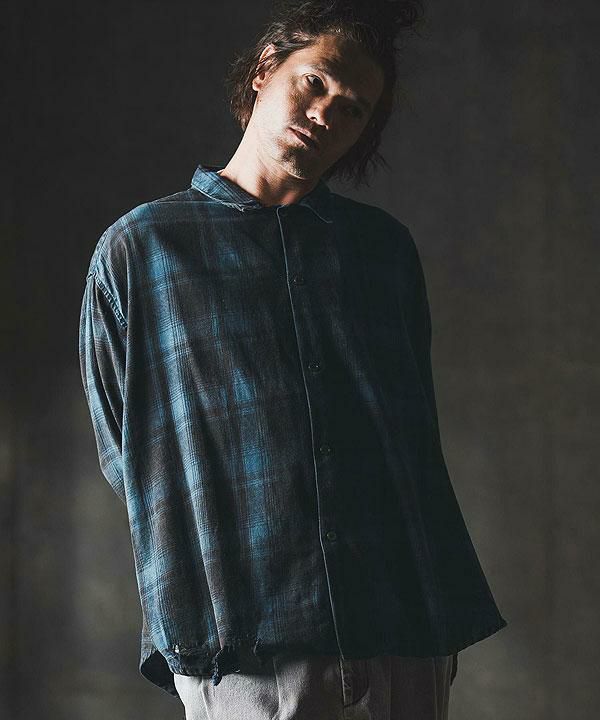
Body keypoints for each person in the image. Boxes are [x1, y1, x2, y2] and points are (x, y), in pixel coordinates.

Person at [78, 1, 507, 718]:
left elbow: (411, 435)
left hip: (404, 621)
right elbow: (129, 455)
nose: (327, 113)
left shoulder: (382, 252)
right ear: (265, 70)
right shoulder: (143, 250)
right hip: (246, 633)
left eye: (354, 109)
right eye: (316, 82)